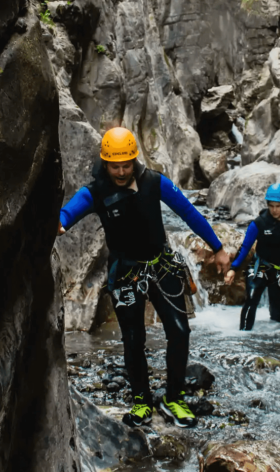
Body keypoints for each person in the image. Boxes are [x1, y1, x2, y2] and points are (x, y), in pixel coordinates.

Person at [58, 127, 230, 428]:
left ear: (134, 159)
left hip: (161, 266)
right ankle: (141, 400)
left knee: (179, 331)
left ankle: (173, 397)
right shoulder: (96, 191)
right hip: (125, 272)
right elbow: (65, 217)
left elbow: (189, 213)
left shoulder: (154, 182)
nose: (122, 171)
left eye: (126, 164)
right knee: (133, 337)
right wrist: (55, 225)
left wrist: (218, 247)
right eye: (115, 165)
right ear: (105, 163)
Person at [224, 184, 280, 330]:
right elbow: (245, 247)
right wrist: (233, 268)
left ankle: (275, 341)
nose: (274, 210)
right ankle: (243, 335)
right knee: (251, 301)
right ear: (267, 204)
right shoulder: (258, 223)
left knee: (277, 311)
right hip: (259, 267)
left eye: (278, 206)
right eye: (271, 206)